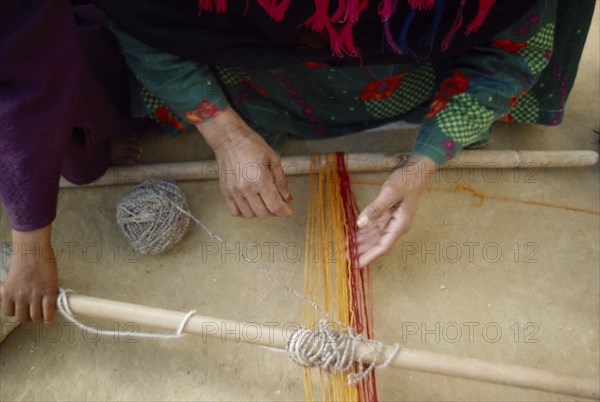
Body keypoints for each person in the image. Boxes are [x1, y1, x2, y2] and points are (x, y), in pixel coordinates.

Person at [94, 0, 594, 266]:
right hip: (254, 74)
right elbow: (139, 16)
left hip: (409, 76)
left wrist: (422, 164)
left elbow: (506, 57)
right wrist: (224, 134)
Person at [0, 0, 142, 323]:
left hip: (46, 34)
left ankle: (95, 140)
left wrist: (31, 245)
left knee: (76, 160)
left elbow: (23, 51)